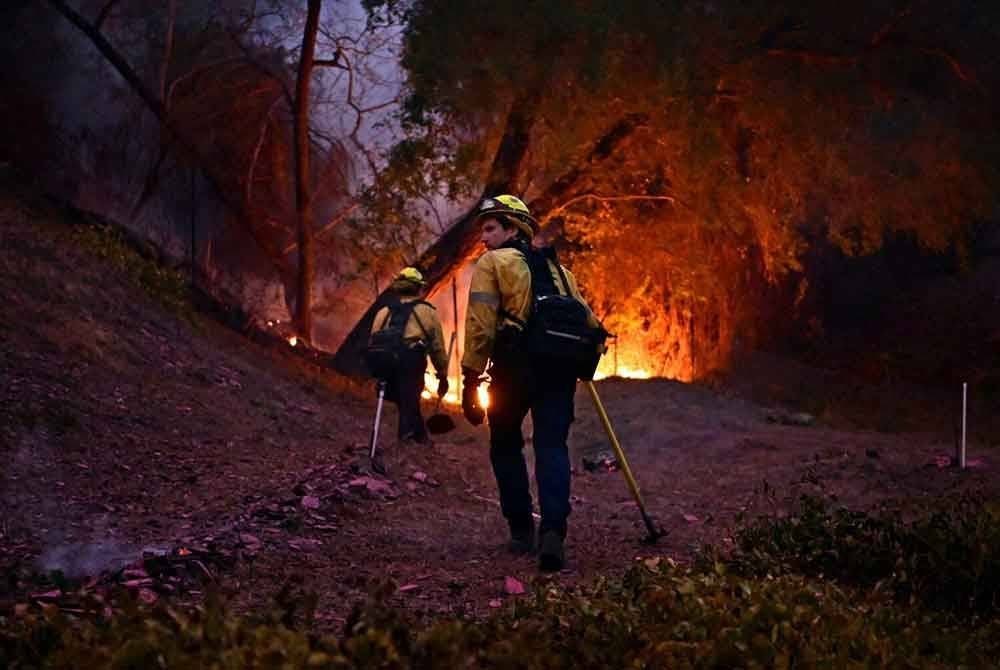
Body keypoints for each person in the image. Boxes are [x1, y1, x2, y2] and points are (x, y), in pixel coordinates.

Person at [460, 195, 600, 571]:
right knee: (552, 445)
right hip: (559, 368)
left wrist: (470, 377)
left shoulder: (493, 263)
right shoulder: (560, 271)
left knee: (505, 443)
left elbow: (479, 324)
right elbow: (589, 321)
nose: (484, 238)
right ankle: (553, 529)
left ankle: (522, 529)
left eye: (491, 228)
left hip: (514, 367)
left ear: (513, 229)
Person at [370, 267, 449, 446]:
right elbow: (437, 348)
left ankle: (418, 435)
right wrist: (442, 373)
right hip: (411, 361)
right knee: (410, 397)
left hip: (386, 361)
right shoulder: (426, 312)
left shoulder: (384, 311)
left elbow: (373, 340)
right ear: (419, 288)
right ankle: (407, 436)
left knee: (406, 399)